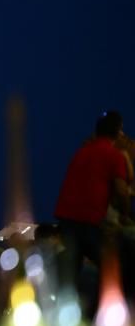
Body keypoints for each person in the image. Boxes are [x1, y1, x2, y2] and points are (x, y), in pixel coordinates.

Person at [54, 111, 130, 312]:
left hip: (66, 217)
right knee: (115, 266)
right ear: (117, 131)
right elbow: (121, 191)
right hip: (89, 220)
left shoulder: (82, 151)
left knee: (71, 271)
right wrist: (126, 214)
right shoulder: (114, 156)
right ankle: (99, 314)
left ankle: (66, 315)